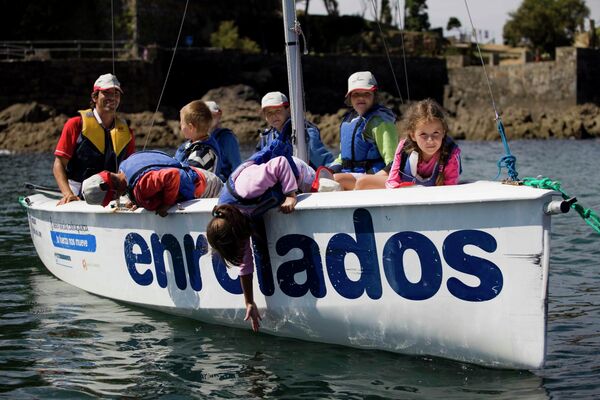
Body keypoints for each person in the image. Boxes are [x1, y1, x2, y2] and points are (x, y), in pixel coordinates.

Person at [207, 134, 315, 332]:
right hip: (275, 189)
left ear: (237, 230)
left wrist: (291, 195)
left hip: (300, 175)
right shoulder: (231, 220)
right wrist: (249, 301)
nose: (243, 246)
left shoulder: (247, 188)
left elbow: (280, 163)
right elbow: (245, 263)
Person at [53, 73, 135, 205]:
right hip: (77, 193)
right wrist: (68, 194)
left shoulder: (127, 133)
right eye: (106, 93)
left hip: (112, 193)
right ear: (95, 97)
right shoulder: (75, 125)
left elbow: (129, 170)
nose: (112, 97)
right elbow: (59, 164)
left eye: (116, 94)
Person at [81, 150, 223, 217]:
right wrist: (134, 199)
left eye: (111, 198)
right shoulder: (125, 165)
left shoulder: (142, 185)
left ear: (113, 191)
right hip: (198, 173)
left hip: (207, 186)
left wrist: (167, 204)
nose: (115, 199)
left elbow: (171, 176)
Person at [329, 71, 398, 190]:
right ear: (349, 98)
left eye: (366, 93)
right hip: (351, 174)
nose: (361, 98)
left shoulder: (381, 122)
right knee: (323, 180)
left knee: (335, 180)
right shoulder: (349, 121)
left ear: (374, 95)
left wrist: (376, 178)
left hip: (372, 176)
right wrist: (330, 170)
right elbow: (342, 157)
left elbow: (393, 161)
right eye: (356, 94)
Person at [386, 98, 461, 188]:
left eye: (436, 133)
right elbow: (392, 181)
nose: (430, 140)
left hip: (437, 191)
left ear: (443, 132)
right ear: (413, 136)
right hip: (409, 188)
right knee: (364, 182)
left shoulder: (451, 152)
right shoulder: (404, 149)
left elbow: (451, 186)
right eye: (423, 134)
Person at [257, 91, 334, 169]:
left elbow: (325, 162)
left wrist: (334, 171)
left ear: (288, 110)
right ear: (265, 116)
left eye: (278, 111)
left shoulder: (304, 132)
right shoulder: (266, 138)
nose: (274, 116)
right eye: (269, 113)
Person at [174, 100, 224, 180]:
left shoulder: (202, 153)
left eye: (182, 122)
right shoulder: (191, 144)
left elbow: (188, 179)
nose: (180, 125)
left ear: (191, 127)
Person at [204, 100, 242, 180]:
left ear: (219, 115)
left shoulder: (227, 138)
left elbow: (237, 167)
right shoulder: (200, 138)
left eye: (212, 115)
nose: (209, 119)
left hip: (223, 185)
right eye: (205, 116)